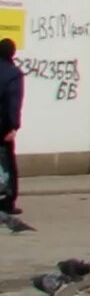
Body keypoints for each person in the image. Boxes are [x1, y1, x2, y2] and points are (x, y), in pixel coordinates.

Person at [0, 37, 24, 217]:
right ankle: (7, 201)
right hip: (2, 125)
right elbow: (13, 102)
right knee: (7, 162)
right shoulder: (13, 74)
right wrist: (13, 126)